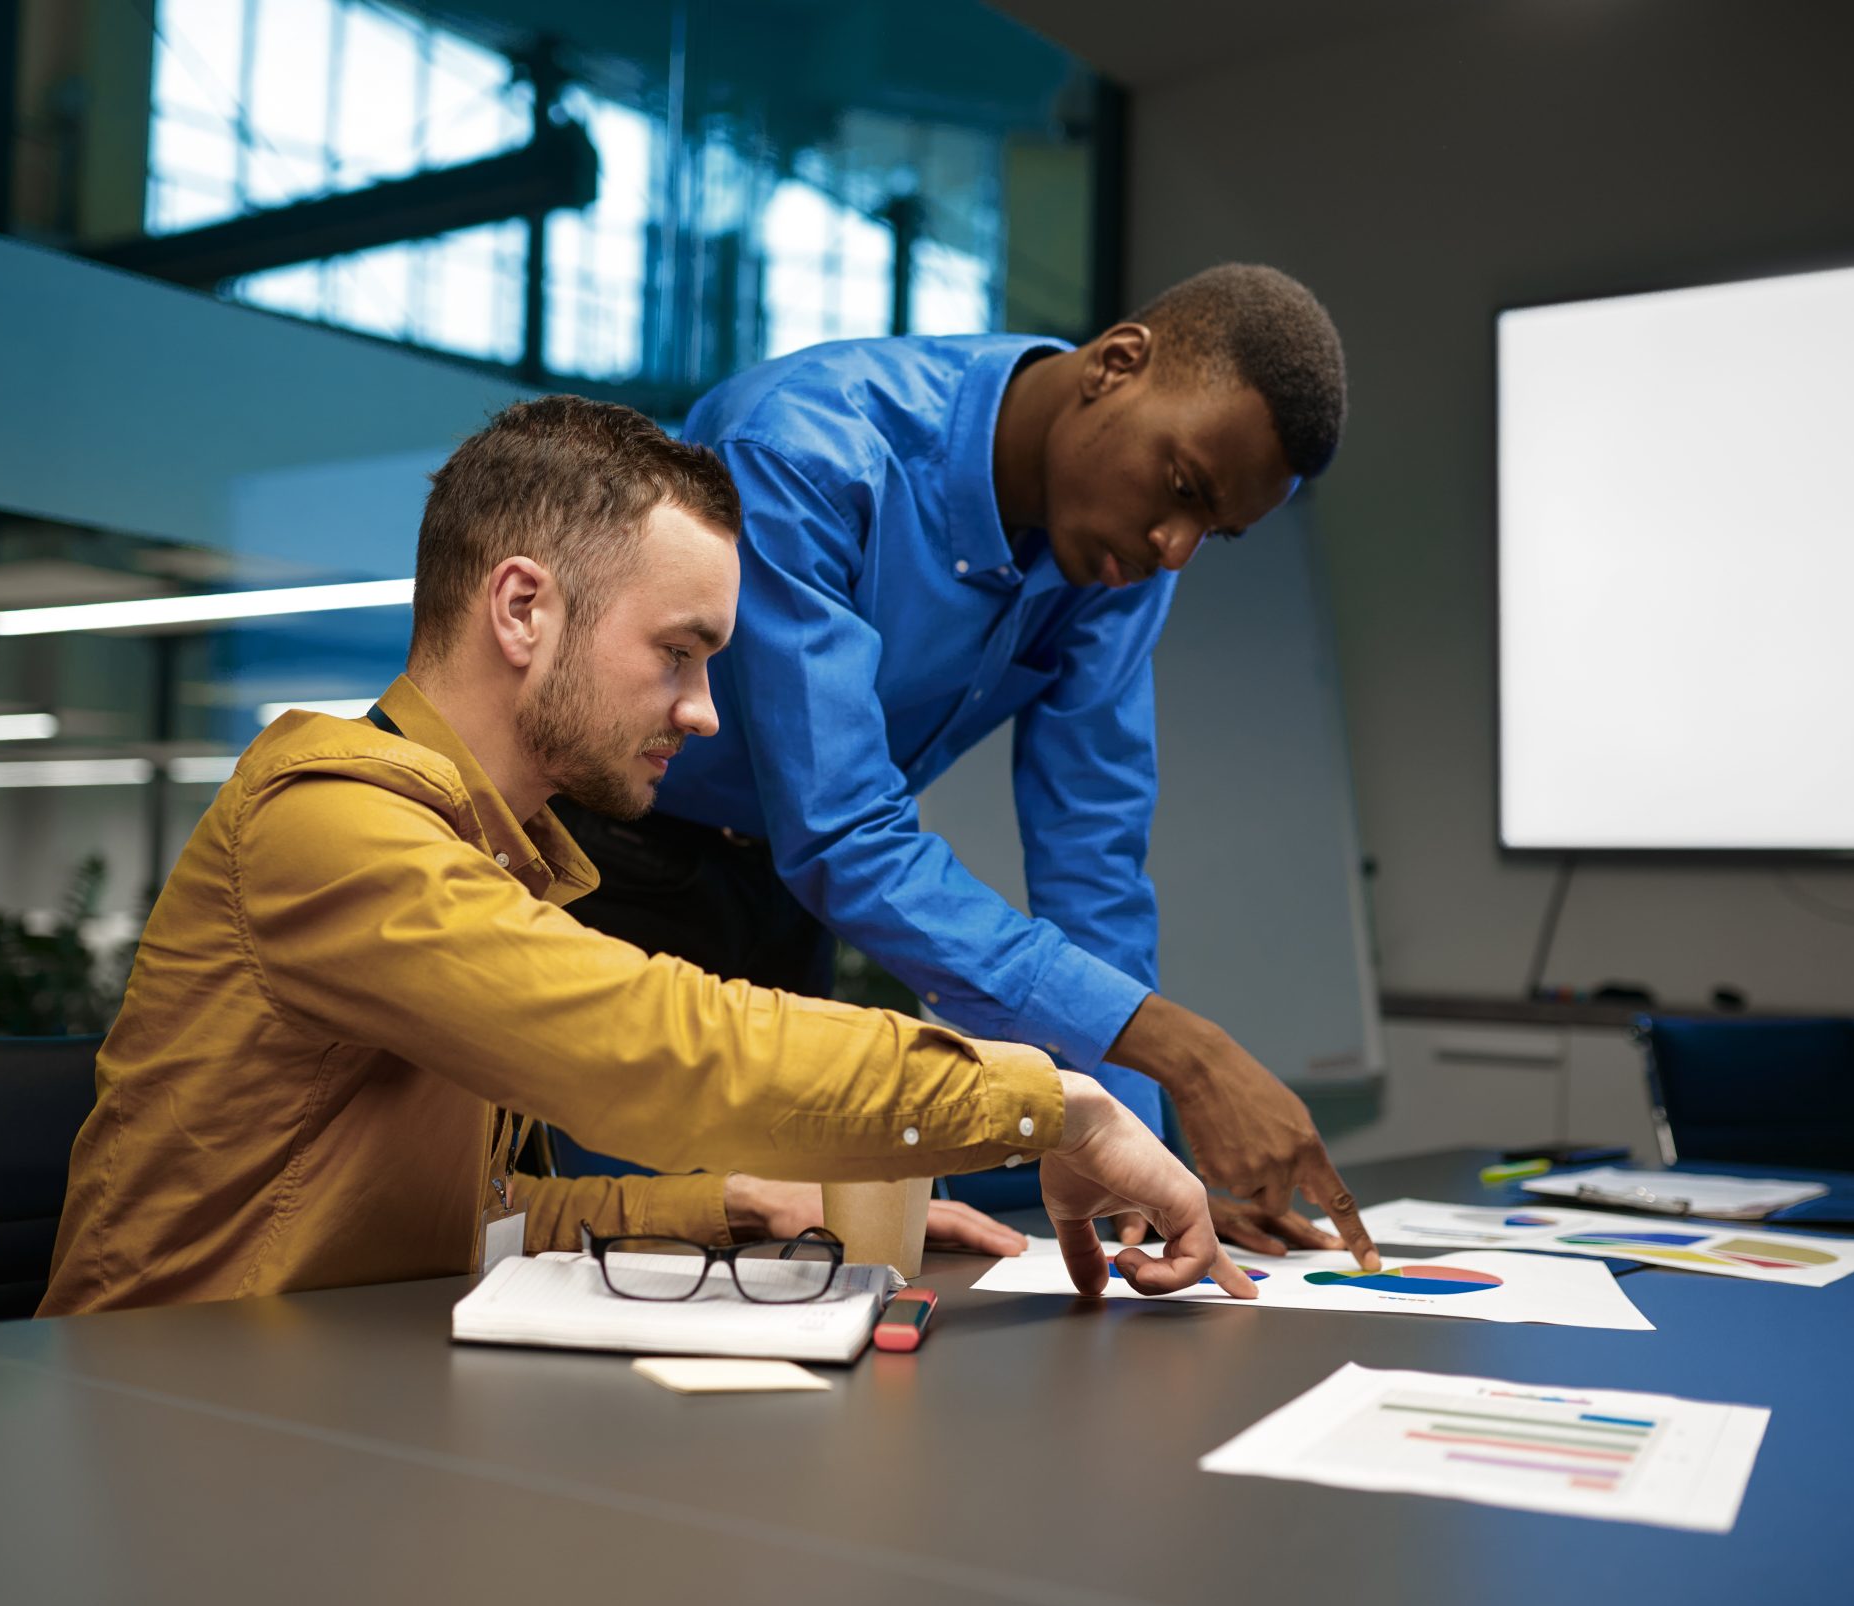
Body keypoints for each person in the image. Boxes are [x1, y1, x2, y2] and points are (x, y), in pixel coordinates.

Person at [39, 396, 1251, 1317]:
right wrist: (1053, 1103)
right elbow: (653, 1043)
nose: (706, 711)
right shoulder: (332, 828)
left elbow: (455, 1216)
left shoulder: (497, 853)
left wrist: (723, 1204)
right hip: (168, 1408)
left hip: (327, 1386)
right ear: (523, 610)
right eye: (679, 652)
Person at [554, 263, 1381, 1267]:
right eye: (1183, 490)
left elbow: (1093, 862)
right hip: (603, 870)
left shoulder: (1115, 563)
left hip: (781, 897)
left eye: (1214, 530)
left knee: (784, 1267)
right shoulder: (803, 449)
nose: (1174, 549)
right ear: (1119, 363)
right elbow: (848, 835)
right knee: (599, 1257)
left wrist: (1140, 1165)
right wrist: (1185, 1051)